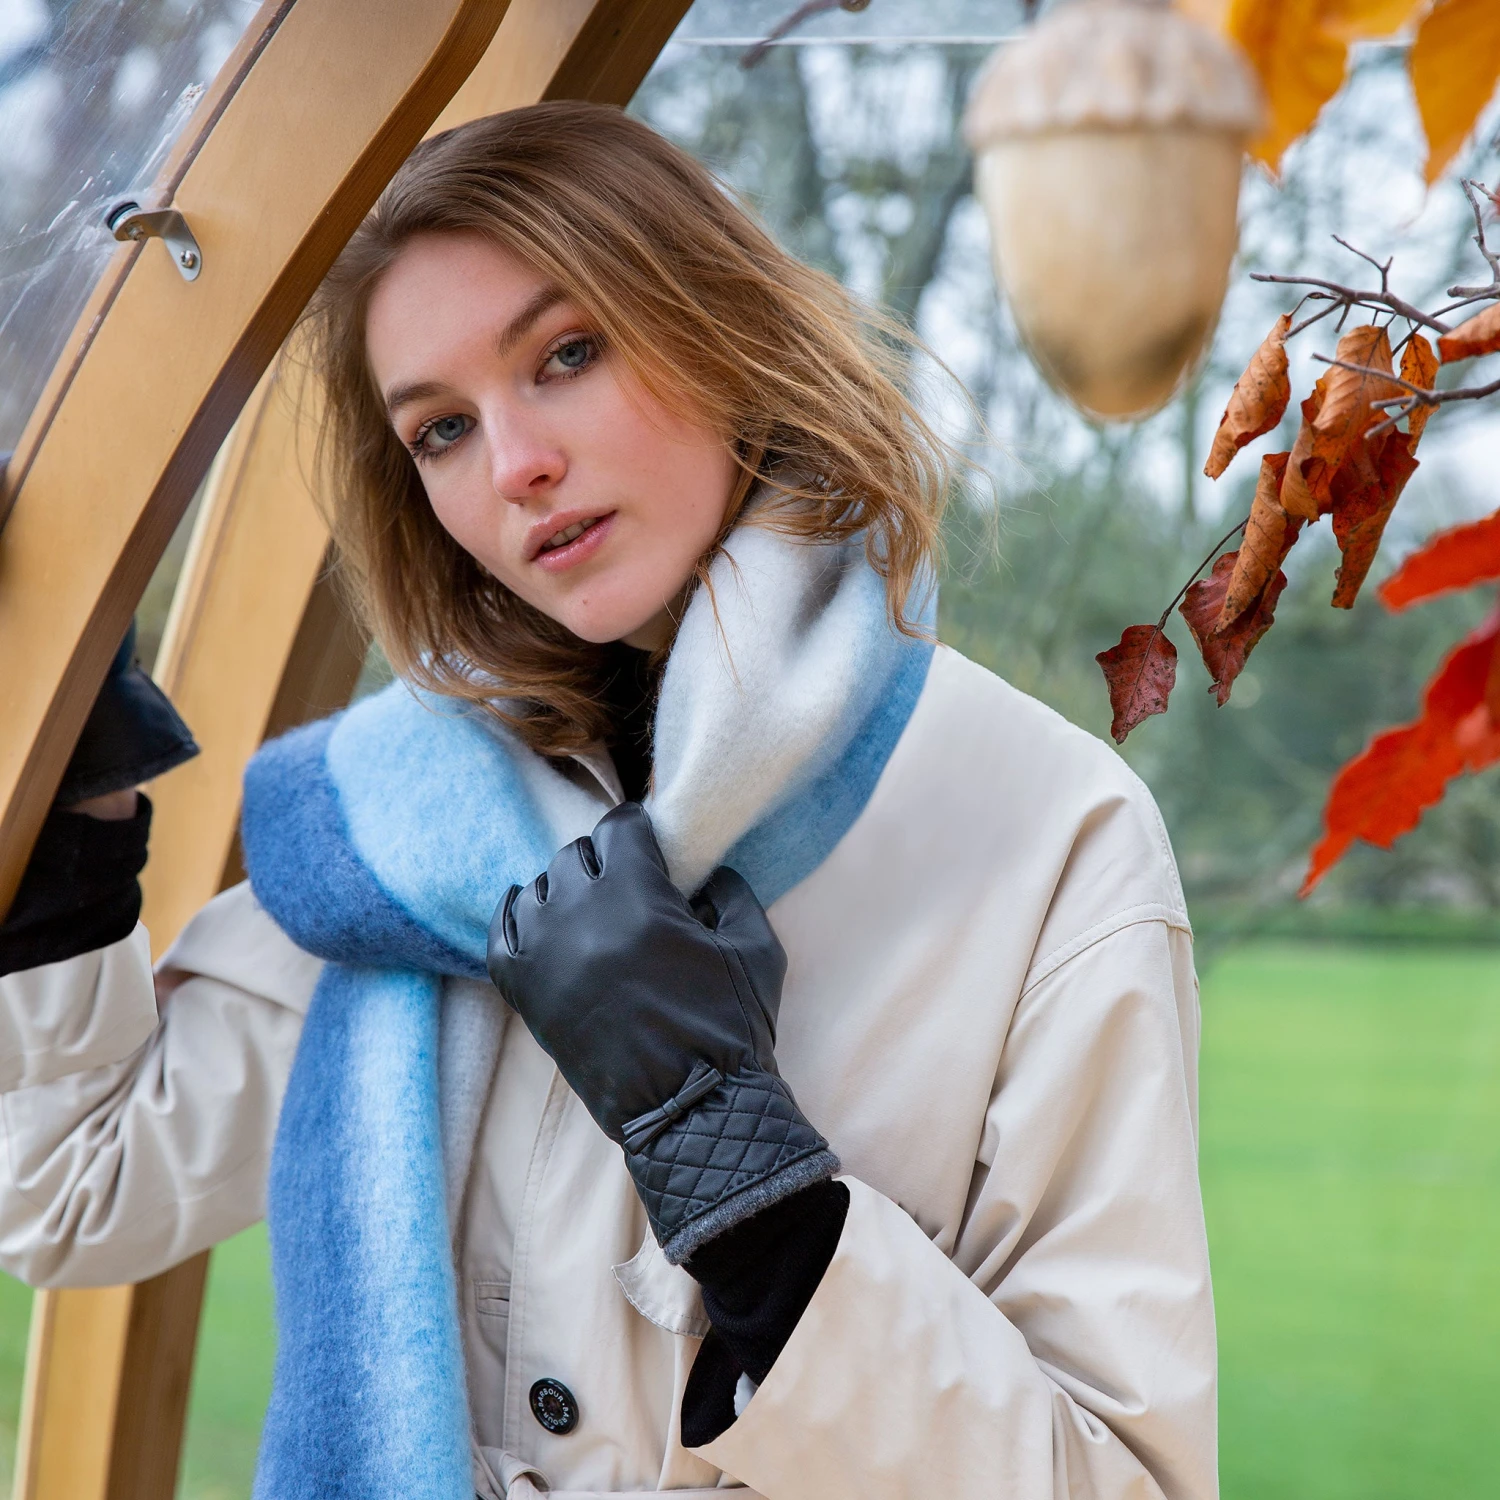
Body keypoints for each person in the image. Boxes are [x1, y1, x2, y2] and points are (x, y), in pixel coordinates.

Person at [0, 103, 1214, 1500]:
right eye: (442, 429)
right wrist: (71, 763)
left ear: (719, 328)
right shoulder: (403, 821)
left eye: (565, 356)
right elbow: (76, 1185)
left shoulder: (1052, 833)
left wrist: (749, 1190)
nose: (513, 465)